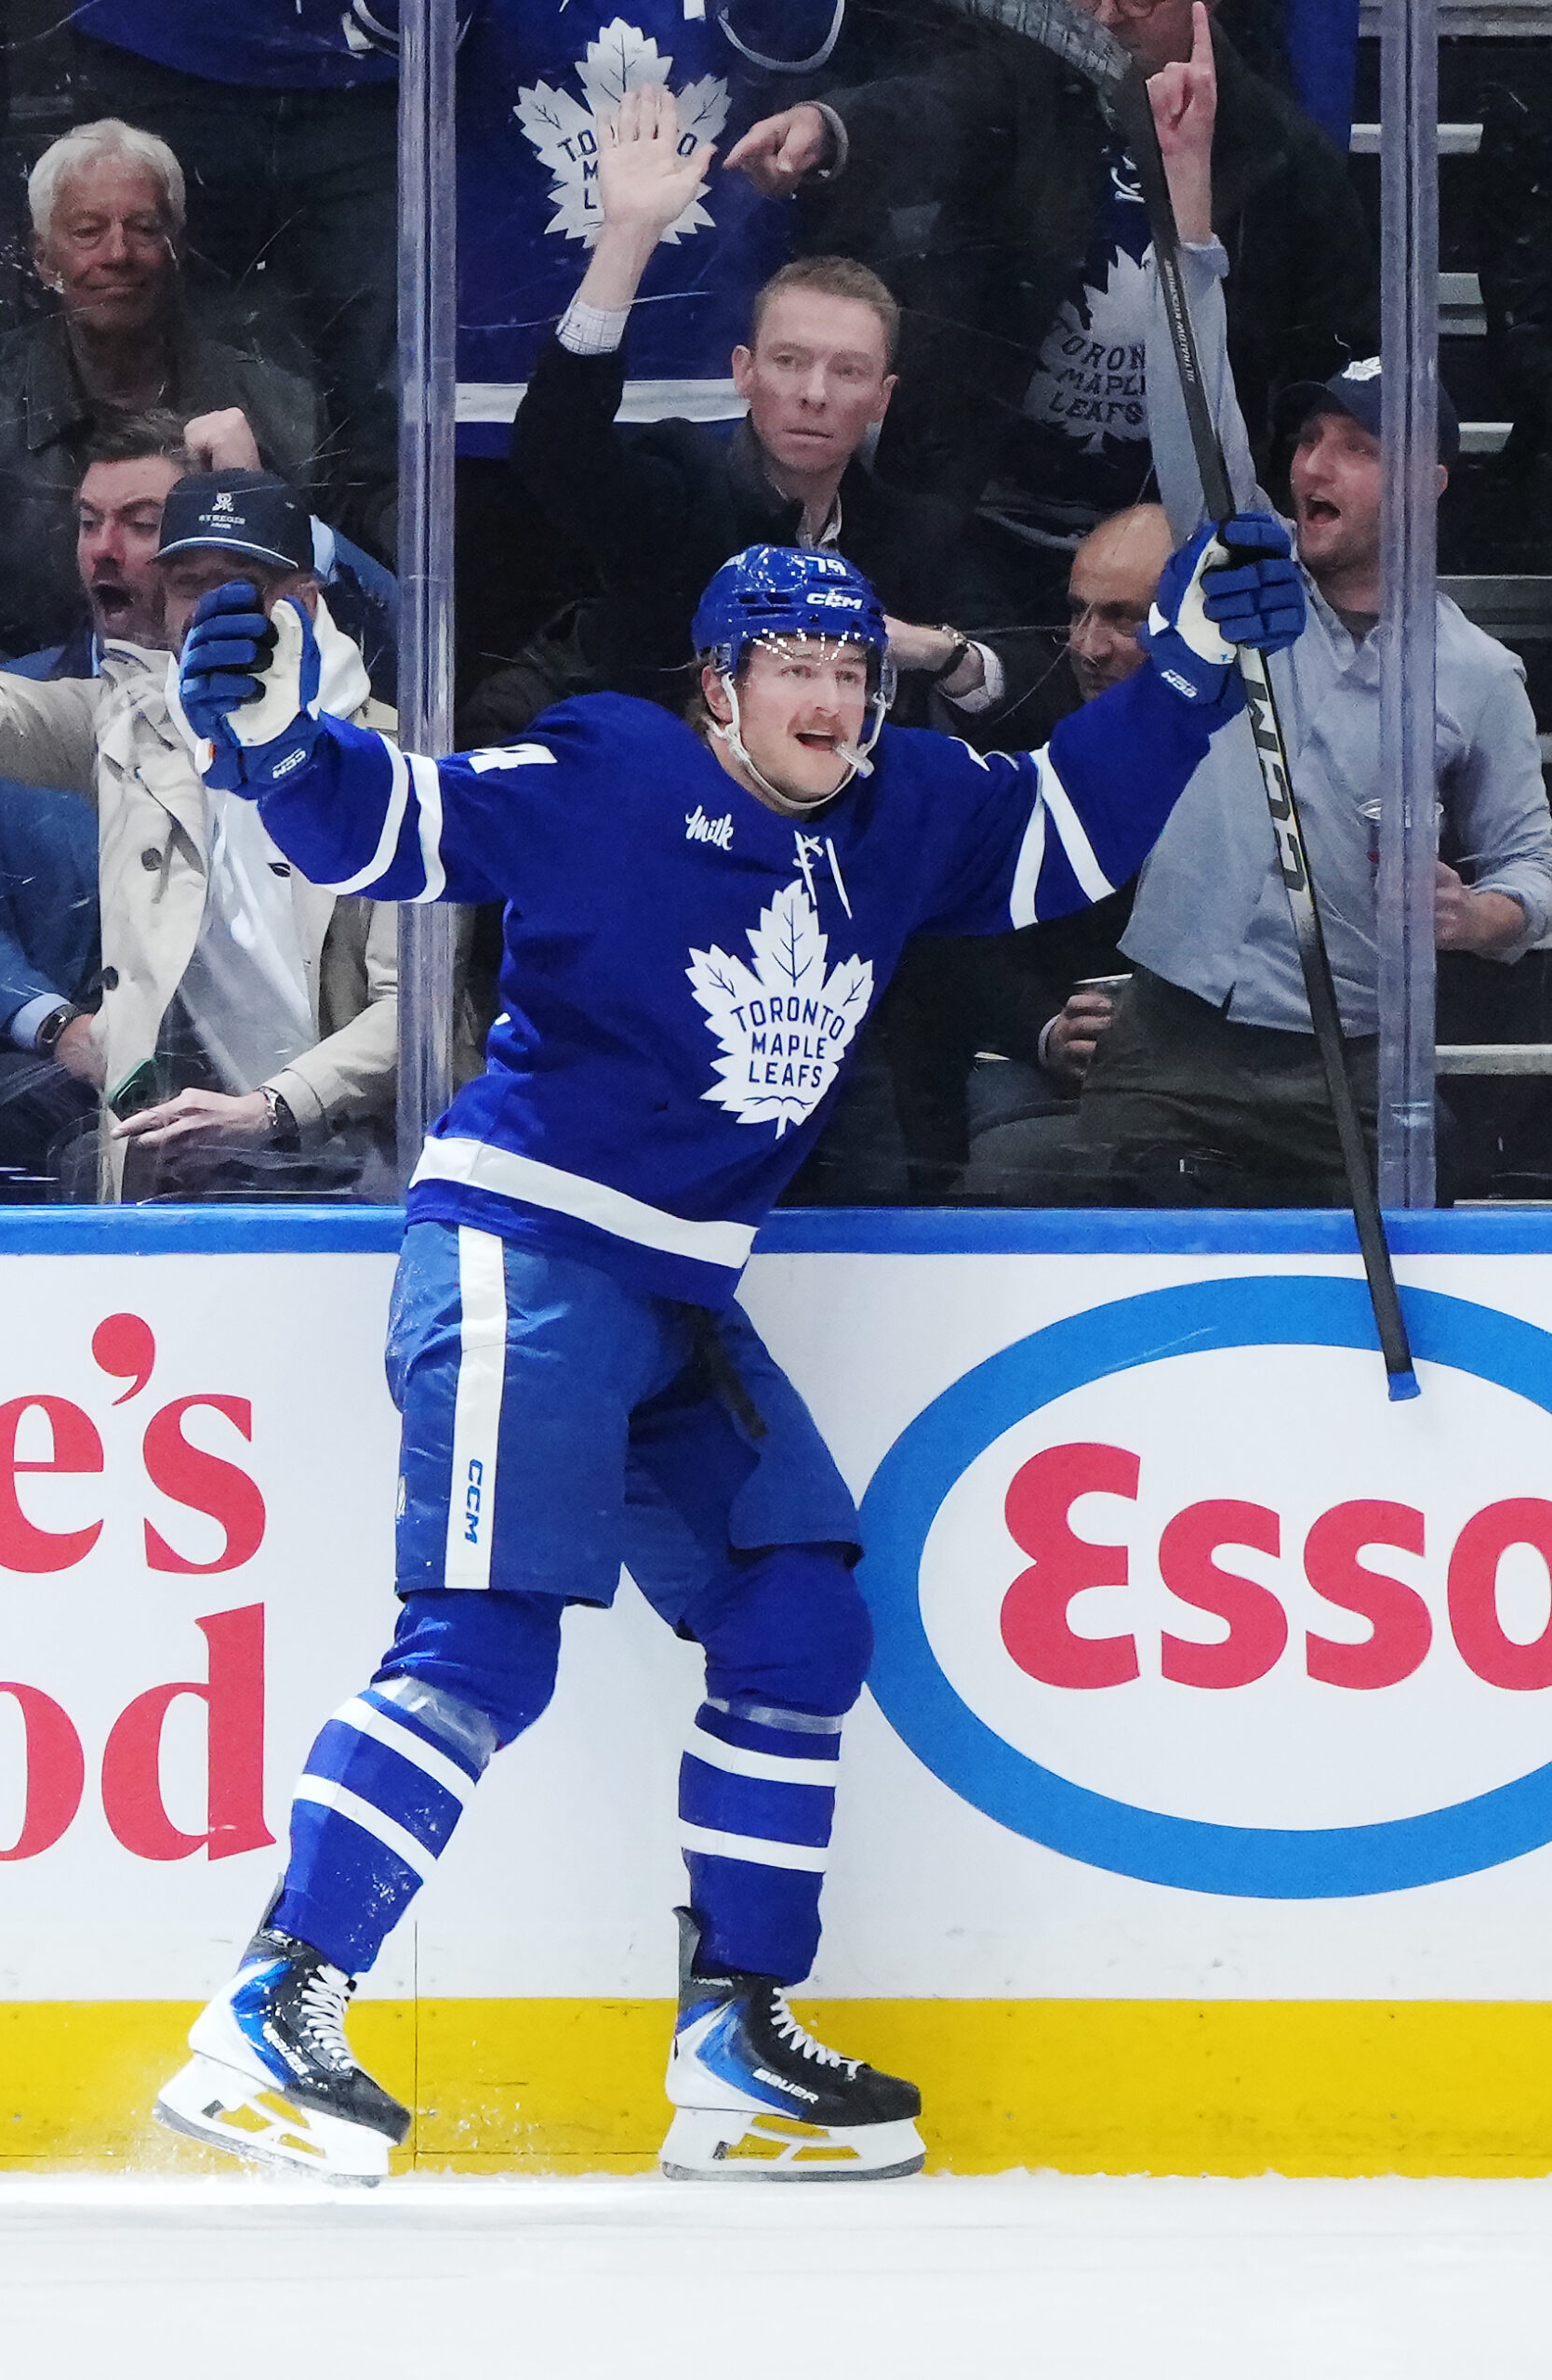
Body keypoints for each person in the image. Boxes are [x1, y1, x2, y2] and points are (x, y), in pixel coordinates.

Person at [146, 514, 1306, 2180]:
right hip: (522, 1255)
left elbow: (1064, 825)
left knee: (795, 1610)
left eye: (850, 675)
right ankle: (281, 1995)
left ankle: (730, 2034)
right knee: (483, 1643)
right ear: (718, 687)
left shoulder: (901, 813)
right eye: (797, 676)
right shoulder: (611, 767)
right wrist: (267, 739)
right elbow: (391, 828)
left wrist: (1187, 674)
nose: (832, 709)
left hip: (675, 1296)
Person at [1068, 7, 1552, 1205]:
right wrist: (1185, 194)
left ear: (1428, 482)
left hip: (1357, 1057)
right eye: (1311, 439)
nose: (1312, 468)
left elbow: (1532, 871)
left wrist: (1477, 915)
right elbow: (1191, 417)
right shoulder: (1243, 573)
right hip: (1170, 1037)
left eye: (1355, 447)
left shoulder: (1478, 672)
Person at [0, 354, 398, 1203]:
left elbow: (421, 1016)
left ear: (294, 600)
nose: (203, 611)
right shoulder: (128, 724)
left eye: (233, 588)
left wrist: (270, 1110)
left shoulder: (392, 764)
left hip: (365, 1167)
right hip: (183, 1151)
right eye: (187, 586)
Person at [723, 0, 1376, 611]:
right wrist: (828, 128)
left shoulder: (1285, 159)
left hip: (1171, 551)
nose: (1106, 14)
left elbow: (1325, 359)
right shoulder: (1030, 88)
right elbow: (929, 109)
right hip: (982, 525)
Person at [506, 85, 1030, 732]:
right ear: (743, 373)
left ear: (881, 399)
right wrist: (627, 238)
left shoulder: (913, 533)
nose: (814, 392)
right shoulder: (682, 487)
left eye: (848, 371)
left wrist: (937, 650)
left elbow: (1027, 679)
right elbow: (556, 452)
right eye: (789, 361)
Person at [0, 118, 320, 658]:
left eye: (143, 228)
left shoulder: (276, 405)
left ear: (176, 248)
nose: (118, 253)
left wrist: (245, 491)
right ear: (44, 259)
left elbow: (333, 603)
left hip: (222, 684)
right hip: (28, 698)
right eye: (88, 230)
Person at [886, 502, 1178, 1194]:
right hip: (1031, 1050)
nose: (1086, 645)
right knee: (1006, 1174)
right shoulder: (1027, 744)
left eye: (1121, 618)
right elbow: (959, 936)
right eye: (1077, 612)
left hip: (1216, 1063)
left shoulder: (1269, 753)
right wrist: (1048, 1030)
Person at [64, 2, 402, 557]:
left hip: (377, 63)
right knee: (142, 361)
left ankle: (364, 621)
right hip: (163, 50)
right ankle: (134, 618)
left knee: (386, 405)